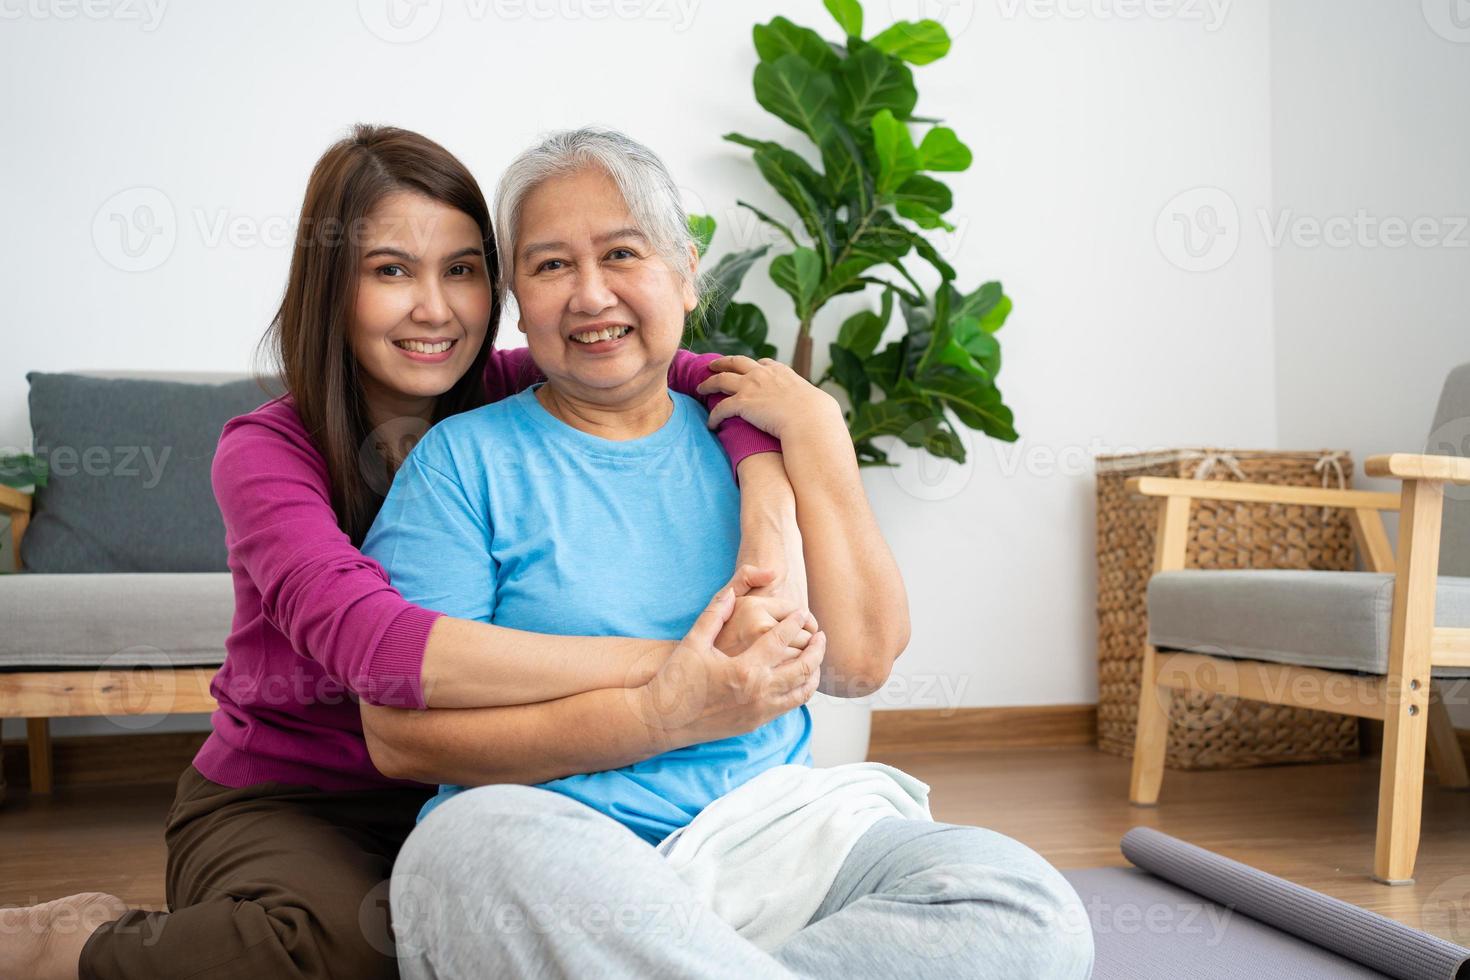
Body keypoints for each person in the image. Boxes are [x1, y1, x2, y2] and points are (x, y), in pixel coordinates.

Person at [0, 124, 828, 980]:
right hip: (297, 799)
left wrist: (767, 488)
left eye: (462, 270)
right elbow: (380, 650)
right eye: (391, 270)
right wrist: (679, 672)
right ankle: (69, 946)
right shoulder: (266, 452)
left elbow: (692, 374)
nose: (435, 309)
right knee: (348, 950)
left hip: (494, 782)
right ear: (332, 288)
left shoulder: (507, 387)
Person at [361, 127, 1094, 980]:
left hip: (775, 836)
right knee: (462, 854)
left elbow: (857, 665)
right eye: (551, 265)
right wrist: (662, 707)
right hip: (555, 846)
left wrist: (822, 434)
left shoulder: (758, 446)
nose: (591, 295)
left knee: (1025, 909)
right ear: (517, 299)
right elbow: (406, 740)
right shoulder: (461, 461)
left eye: (622, 253)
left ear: (686, 271)